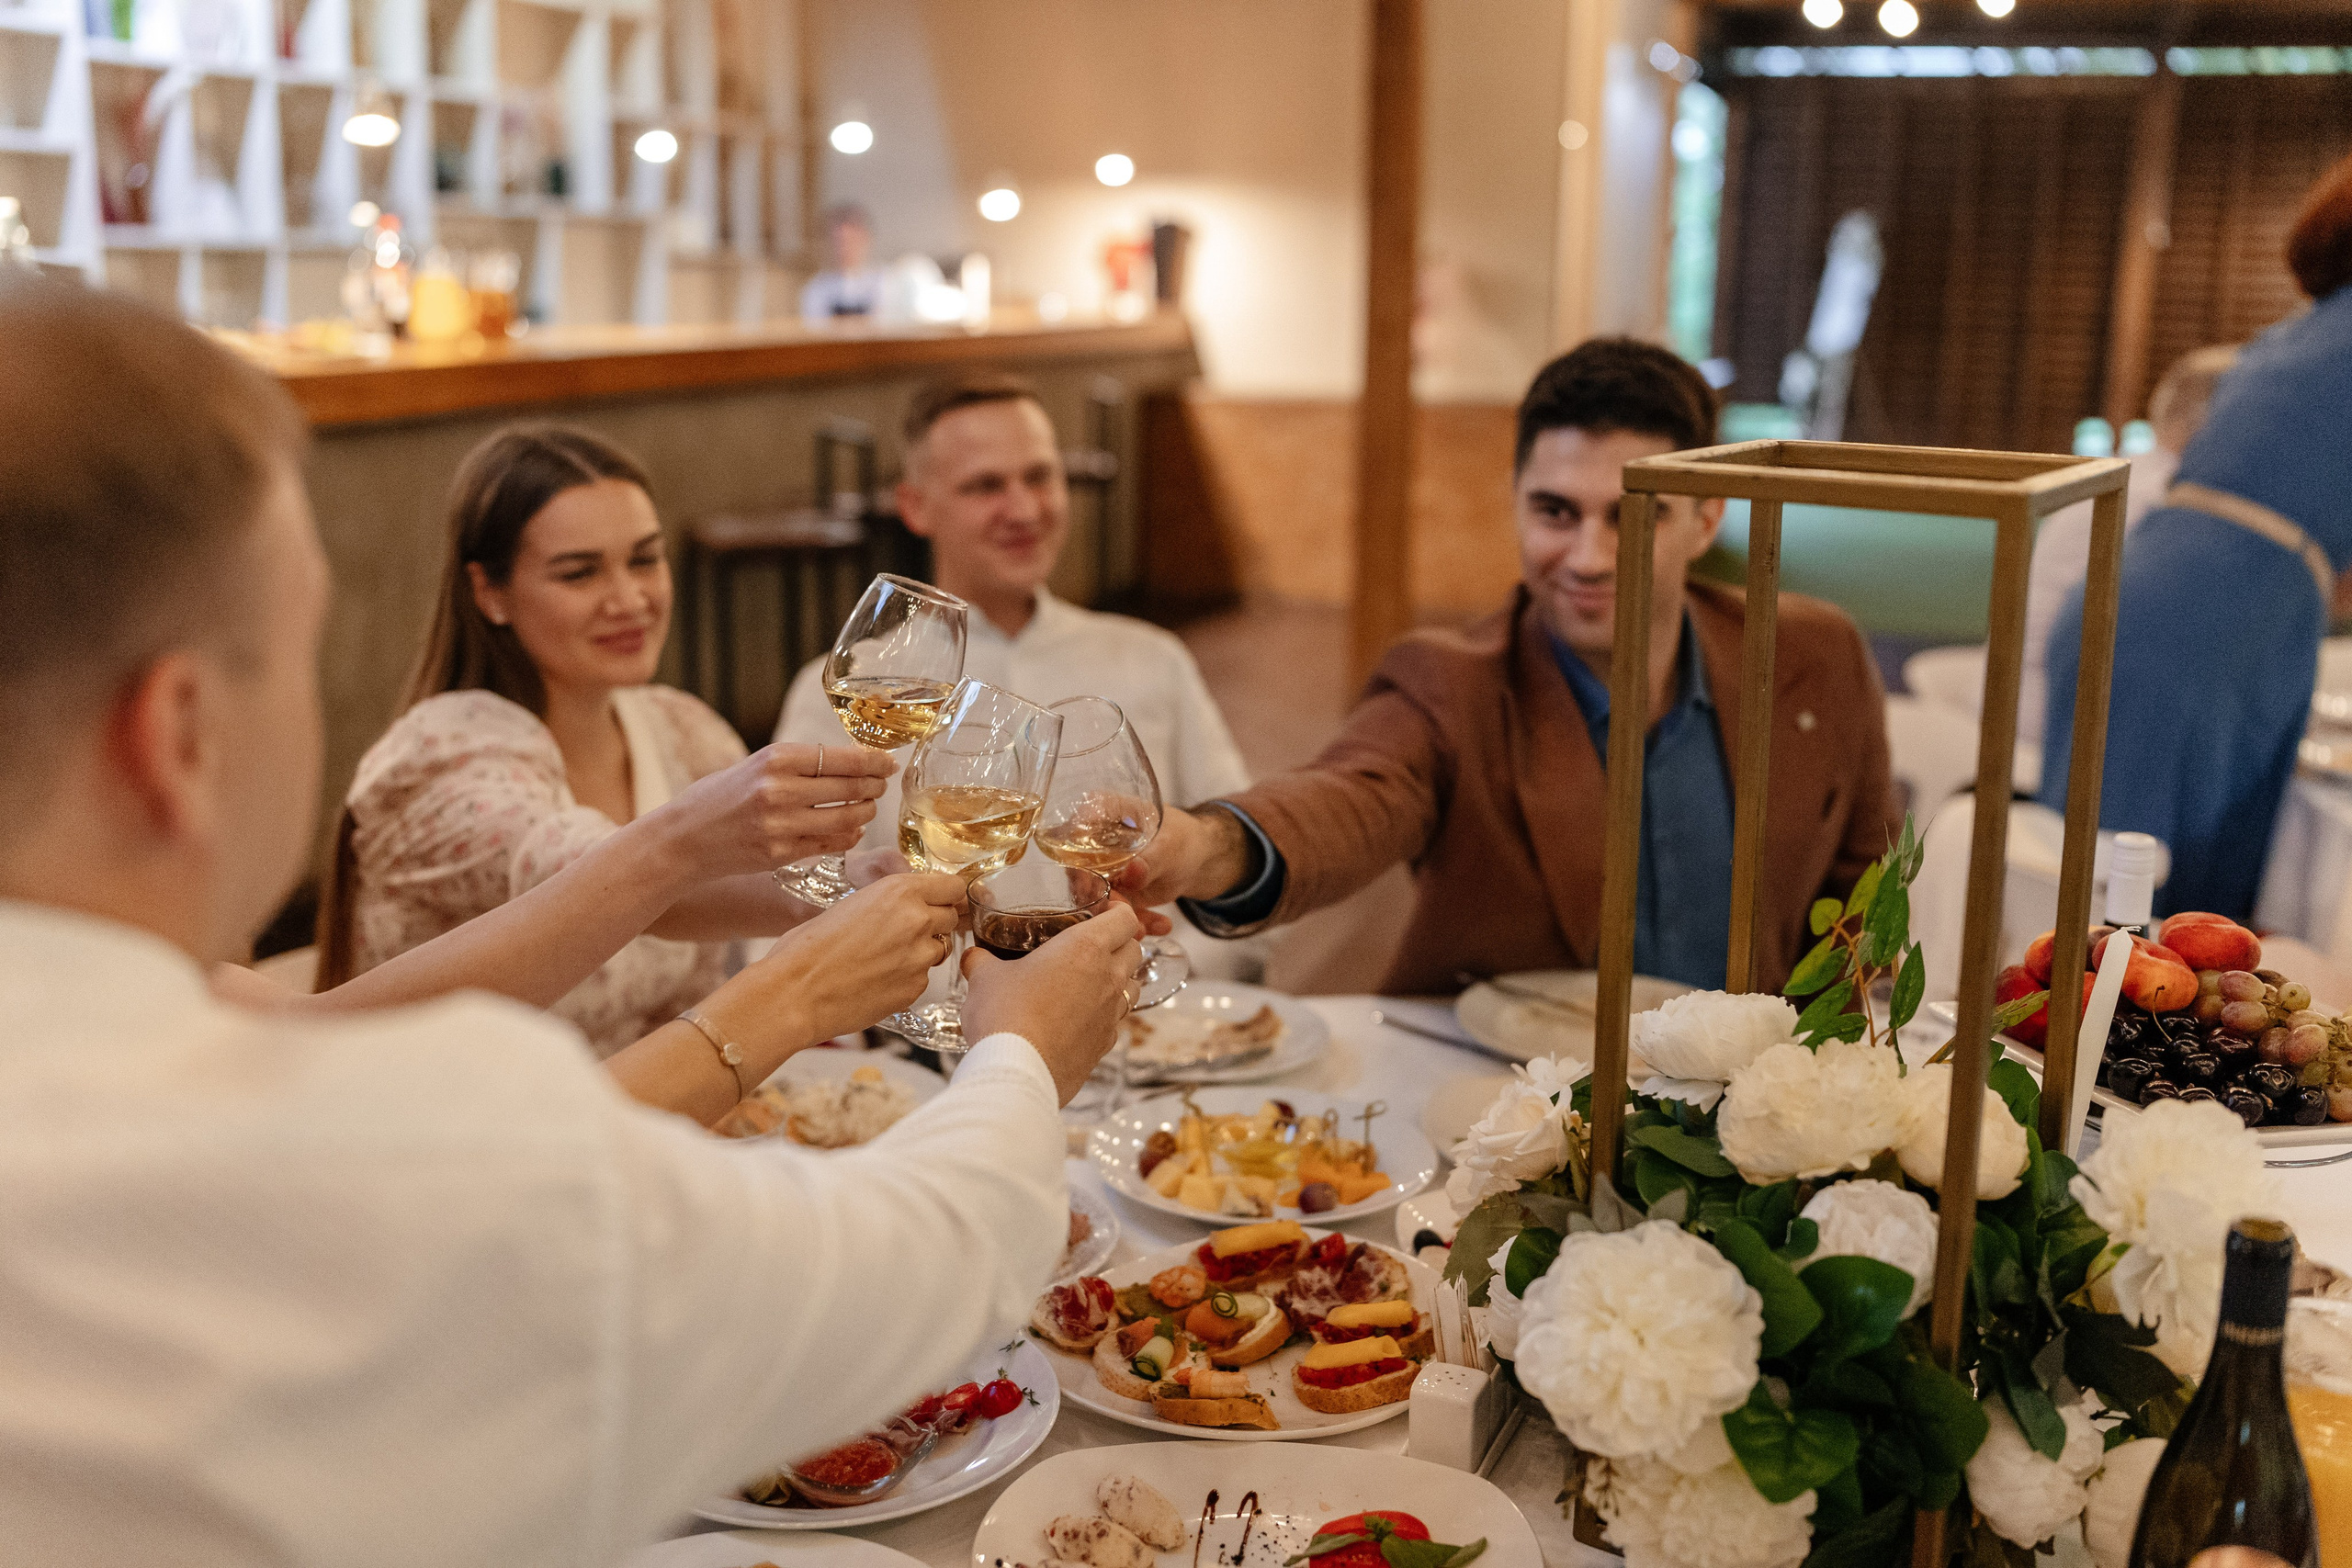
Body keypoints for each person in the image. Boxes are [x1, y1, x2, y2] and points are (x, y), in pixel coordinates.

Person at [0, 277, 1142, 1566]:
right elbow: (915, 1265)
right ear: (179, 733)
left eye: (642, 557)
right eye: (300, 645)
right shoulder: (407, 1152)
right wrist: (1025, 1052)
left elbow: (298, 1020)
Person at [1114, 338, 1897, 995]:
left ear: (1708, 519)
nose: (1589, 559)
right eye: (1556, 511)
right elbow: (1347, 800)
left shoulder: (1812, 655)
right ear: (1516, 500)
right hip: (1514, 1104)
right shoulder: (1451, 682)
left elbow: (1865, 892)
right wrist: (1202, 846)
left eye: (1634, 515)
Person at [319, 424, 872, 1056]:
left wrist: (871, 877)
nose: (630, 598)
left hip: (642, 1119)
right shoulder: (442, 758)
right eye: (580, 573)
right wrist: (846, 889)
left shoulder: (683, 731)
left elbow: (688, 997)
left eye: (644, 558)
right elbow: (602, 874)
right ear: (490, 593)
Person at [775, 374, 1251, 958]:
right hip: (920, 1025)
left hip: (1132, 1016)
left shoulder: (1153, 659)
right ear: (915, 507)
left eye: (1039, 476)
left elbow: (1233, 854)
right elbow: (790, 897)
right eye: (985, 486)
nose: (1023, 509)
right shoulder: (851, 686)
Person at [2041, 150, 2352, 921]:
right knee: (2155, 923)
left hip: (2141, 596)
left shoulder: (2299, 335)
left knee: (2096, 896)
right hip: (2218, 623)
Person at [2018, 344, 2237, 747]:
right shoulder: (2164, 502)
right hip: (2061, 724)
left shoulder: (2122, 477)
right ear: (2218, 422)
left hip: (2029, 697)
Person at [799, 202, 883, 322]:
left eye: (851, 240)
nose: (844, 248)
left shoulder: (884, 283)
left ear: (866, 239)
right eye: (838, 241)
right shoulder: (816, 289)